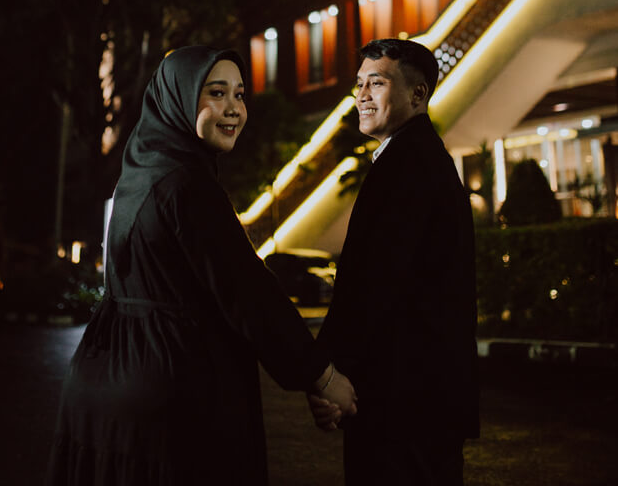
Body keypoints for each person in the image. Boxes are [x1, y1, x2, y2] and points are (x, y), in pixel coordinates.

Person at [47, 45, 356, 486]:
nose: (233, 108)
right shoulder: (187, 185)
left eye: (240, 94)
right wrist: (322, 378)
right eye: (216, 92)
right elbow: (249, 294)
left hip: (105, 382)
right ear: (179, 97)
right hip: (170, 394)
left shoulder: (140, 173)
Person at [309, 38, 479, 485]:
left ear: (417, 93)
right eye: (359, 84)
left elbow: (373, 286)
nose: (362, 95)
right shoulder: (415, 157)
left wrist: (326, 372)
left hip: (404, 404)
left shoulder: (410, 164)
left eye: (377, 83)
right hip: (417, 401)